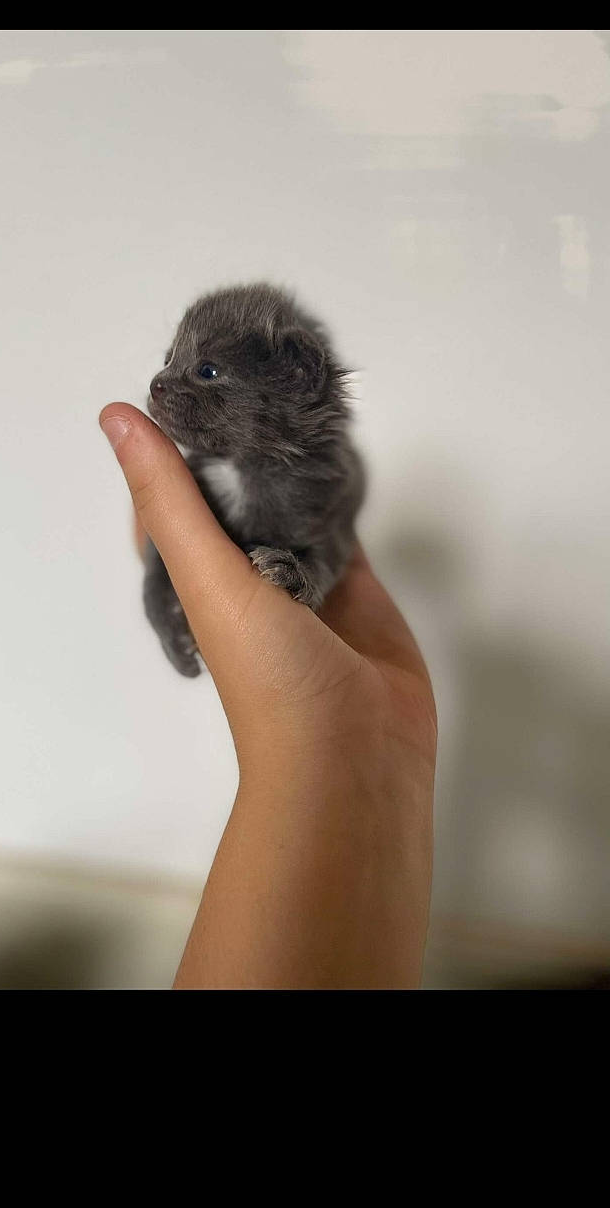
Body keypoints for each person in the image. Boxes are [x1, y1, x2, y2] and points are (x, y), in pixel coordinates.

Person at [100, 404, 437, 990]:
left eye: (206, 374)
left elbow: (328, 548)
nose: (165, 384)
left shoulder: (323, 474)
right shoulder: (221, 469)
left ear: (294, 382)